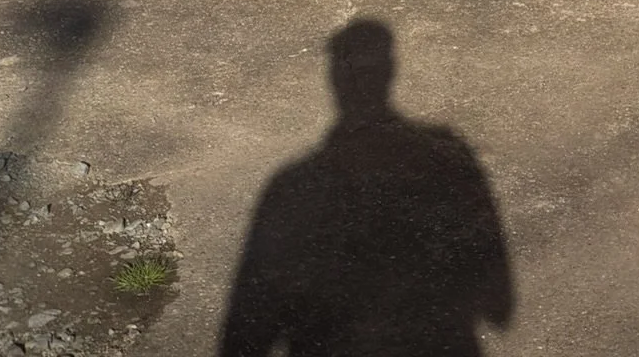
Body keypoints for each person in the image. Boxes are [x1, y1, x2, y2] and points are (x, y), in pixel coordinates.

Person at [219, 19, 514, 356]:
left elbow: (247, 323)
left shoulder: (289, 186)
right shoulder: (450, 158)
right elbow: (499, 307)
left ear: (334, 81)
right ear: (391, 71)